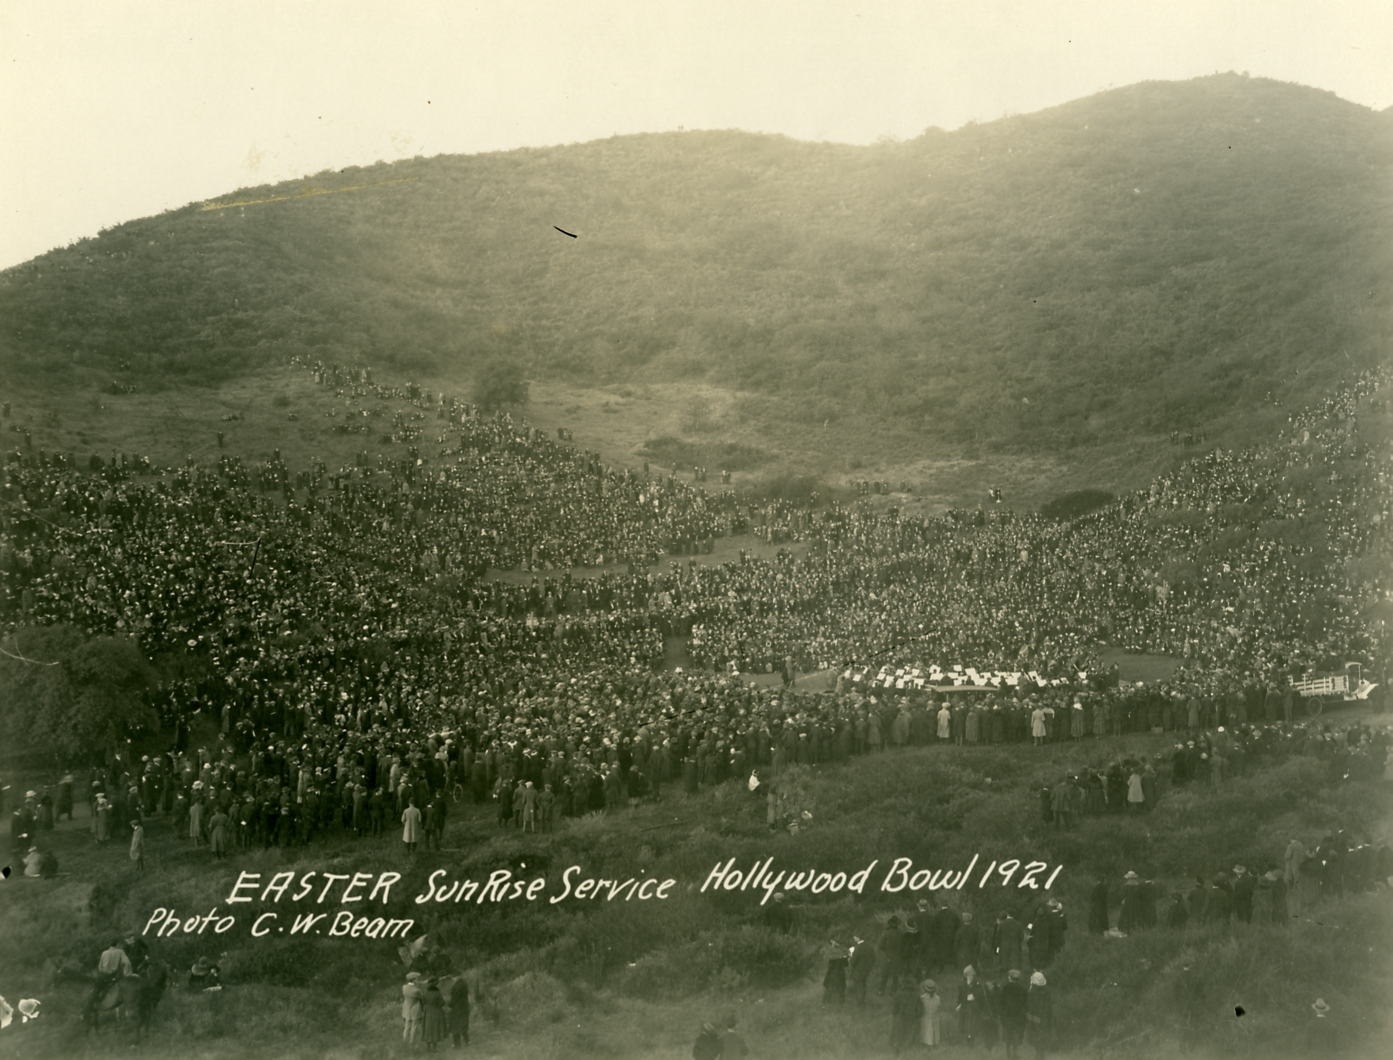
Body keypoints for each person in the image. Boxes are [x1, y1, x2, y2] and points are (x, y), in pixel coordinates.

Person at [999, 969, 1028, 1060]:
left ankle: (1008, 1053)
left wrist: (1002, 1013)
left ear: (1010, 978)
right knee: (1016, 1033)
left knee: (1008, 1033)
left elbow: (1001, 1002)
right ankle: (1015, 1053)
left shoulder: (1005, 988)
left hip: (1008, 1015)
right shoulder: (1023, 989)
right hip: (1018, 1015)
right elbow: (1025, 1003)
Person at [890, 980, 922, 1056]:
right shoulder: (917, 995)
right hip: (912, 1017)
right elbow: (920, 1009)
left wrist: (894, 1015)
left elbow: (895, 1009)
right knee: (909, 1034)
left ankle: (897, 1050)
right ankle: (906, 1051)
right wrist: (917, 1015)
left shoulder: (898, 994)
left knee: (900, 1034)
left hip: (901, 1017)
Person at [1027, 971, 1053, 1058]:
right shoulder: (1047, 992)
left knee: (1035, 1035)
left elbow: (1030, 1006)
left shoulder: (1032, 992)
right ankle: (1041, 1053)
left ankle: (1038, 1053)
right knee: (1042, 1034)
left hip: (1035, 1017)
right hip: (1045, 1016)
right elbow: (1049, 1006)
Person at [421, 977, 447, 1049]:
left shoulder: (425, 992)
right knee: (435, 1029)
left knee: (427, 1028)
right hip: (436, 1011)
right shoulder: (437, 993)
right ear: (435, 984)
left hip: (427, 1012)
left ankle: (428, 1047)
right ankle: (434, 1047)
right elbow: (442, 1003)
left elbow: (422, 1001)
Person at [822, 938, 849, 1004]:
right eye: (832, 942)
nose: (833, 943)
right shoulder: (842, 951)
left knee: (830, 988)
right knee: (840, 988)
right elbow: (846, 964)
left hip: (832, 972)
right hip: (840, 972)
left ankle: (827, 1002)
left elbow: (827, 962)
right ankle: (840, 1002)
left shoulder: (830, 951)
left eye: (833, 942)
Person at [402, 971, 425, 1044]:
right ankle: (411, 1041)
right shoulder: (416, 990)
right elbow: (422, 998)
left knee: (407, 1026)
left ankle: (404, 1041)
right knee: (414, 1026)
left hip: (406, 1007)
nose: (418, 980)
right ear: (414, 980)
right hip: (415, 1008)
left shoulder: (404, 987)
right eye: (417, 979)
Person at [920, 979, 944, 1049]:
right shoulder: (938, 998)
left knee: (927, 1029)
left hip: (926, 1016)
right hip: (935, 1016)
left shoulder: (922, 998)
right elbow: (939, 1007)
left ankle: (927, 1043)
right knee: (935, 1030)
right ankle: (935, 1042)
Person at [447, 975, 470, 1046]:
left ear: (456, 977)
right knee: (463, 1025)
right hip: (465, 1007)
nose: (452, 979)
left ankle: (457, 1044)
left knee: (455, 1026)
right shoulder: (464, 984)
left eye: (453, 977)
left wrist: (449, 1004)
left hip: (456, 1009)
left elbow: (453, 999)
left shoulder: (455, 987)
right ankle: (467, 1041)